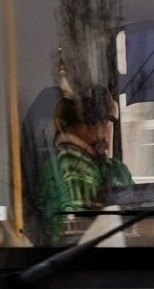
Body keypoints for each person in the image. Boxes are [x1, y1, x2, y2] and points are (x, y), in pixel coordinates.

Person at [30, 85, 131, 233]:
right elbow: (74, 233)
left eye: (109, 124)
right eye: (104, 123)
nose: (107, 134)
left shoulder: (116, 169)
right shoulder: (66, 167)